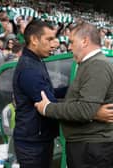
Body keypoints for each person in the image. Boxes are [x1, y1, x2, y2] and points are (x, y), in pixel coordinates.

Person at [35, 22, 113, 168]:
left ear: (84, 41)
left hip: (90, 149)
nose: (69, 47)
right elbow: (83, 105)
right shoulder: (90, 64)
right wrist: (94, 113)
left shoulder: (97, 65)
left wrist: (48, 108)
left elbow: (85, 110)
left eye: (71, 42)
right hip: (87, 147)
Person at [12, 20, 66, 168]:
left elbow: (47, 92)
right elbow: (49, 104)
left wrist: (71, 89)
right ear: (34, 40)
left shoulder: (36, 61)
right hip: (32, 143)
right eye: (49, 39)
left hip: (38, 138)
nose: (54, 44)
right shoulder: (29, 68)